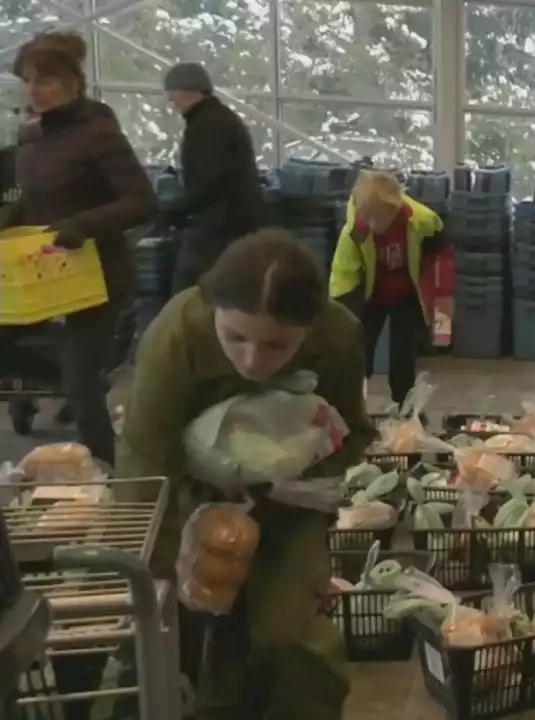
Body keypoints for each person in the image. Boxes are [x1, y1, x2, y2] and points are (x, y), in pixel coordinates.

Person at [116, 229, 376, 718]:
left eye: (277, 346)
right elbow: (145, 460)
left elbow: (353, 432)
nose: (253, 360)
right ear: (211, 307)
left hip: (290, 497)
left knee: (292, 637)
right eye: (235, 337)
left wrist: (292, 470)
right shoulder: (178, 334)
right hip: (184, 491)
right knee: (183, 621)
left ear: (311, 326)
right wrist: (157, 570)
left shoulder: (338, 335)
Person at [0, 31, 157, 464]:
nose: (34, 89)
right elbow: (36, 197)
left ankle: (103, 475)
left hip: (97, 273)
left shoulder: (98, 133)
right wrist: (11, 221)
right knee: (73, 375)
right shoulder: (31, 138)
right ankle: (79, 377)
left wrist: (84, 224)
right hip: (43, 270)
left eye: (46, 79)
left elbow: (142, 201)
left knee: (81, 387)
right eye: (28, 80)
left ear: (74, 82)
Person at [329, 170, 447, 405]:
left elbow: (443, 257)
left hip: (407, 296)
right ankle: (352, 408)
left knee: (402, 358)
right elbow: (342, 276)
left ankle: (406, 412)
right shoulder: (355, 233)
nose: (373, 224)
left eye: (379, 217)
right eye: (367, 217)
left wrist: (443, 307)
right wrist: (341, 318)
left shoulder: (423, 220)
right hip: (371, 297)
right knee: (359, 355)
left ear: (395, 208)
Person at [163, 62, 267, 292]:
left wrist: (176, 209)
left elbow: (209, 180)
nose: (171, 99)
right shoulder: (215, 119)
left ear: (188, 90)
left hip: (218, 227)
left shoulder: (208, 126)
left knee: (192, 293)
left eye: (172, 91)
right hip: (230, 222)